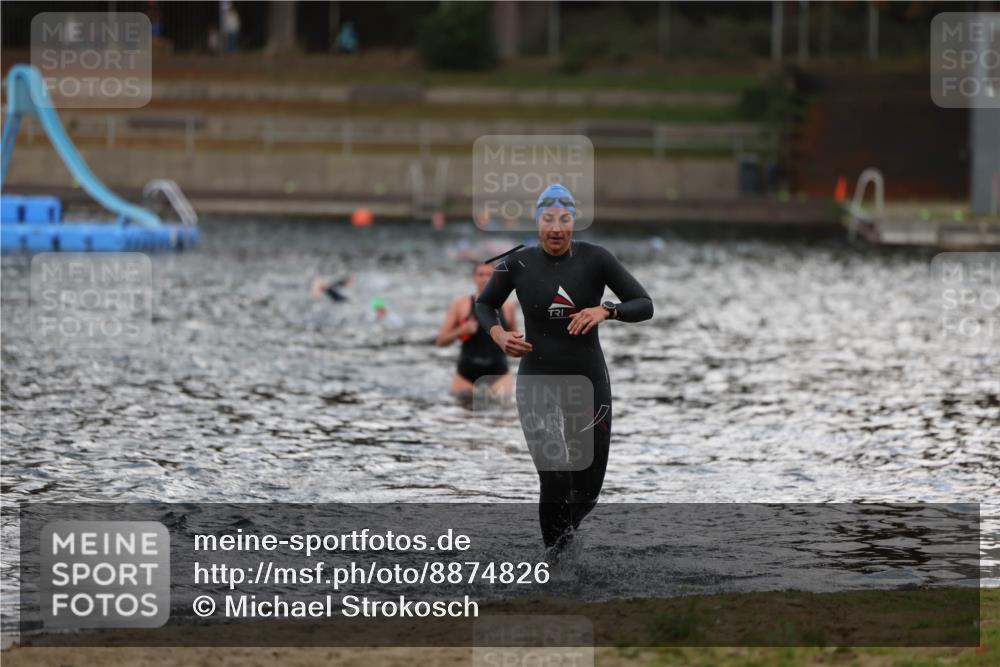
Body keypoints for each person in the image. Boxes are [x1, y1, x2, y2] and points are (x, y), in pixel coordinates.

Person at [474, 183, 653, 556]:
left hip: (588, 383)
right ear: (538, 223)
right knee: (554, 474)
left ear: (575, 222)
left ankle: (562, 548)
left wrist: (606, 310)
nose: (556, 228)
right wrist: (498, 334)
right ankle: (554, 564)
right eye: (548, 219)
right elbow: (485, 304)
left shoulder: (597, 259)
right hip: (537, 381)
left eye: (564, 219)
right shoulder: (516, 262)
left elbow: (644, 304)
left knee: (586, 491)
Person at [437, 263, 518, 396]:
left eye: (489, 275)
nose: (485, 278)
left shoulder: (508, 306)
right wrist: (461, 331)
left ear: (497, 278)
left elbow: (516, 340)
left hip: (499, 374)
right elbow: (441, 341)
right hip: (466, 375)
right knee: (460, 413)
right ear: (474, 278)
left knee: (504, 413)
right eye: (480, 274)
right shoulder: (460, 305)